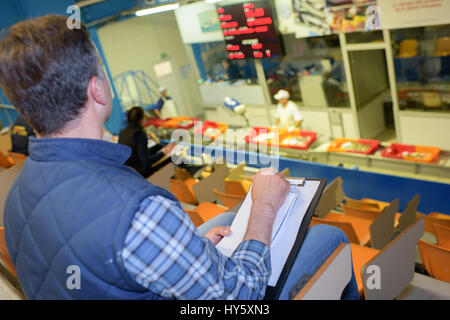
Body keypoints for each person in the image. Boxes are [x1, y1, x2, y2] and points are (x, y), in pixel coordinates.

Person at [0, 15, 358, 300]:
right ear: (97, 89)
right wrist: (264, 208)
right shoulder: (138, 210)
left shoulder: (15, 197)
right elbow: (243, 296)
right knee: (330, 238)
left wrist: (198, 248)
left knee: (230, 218)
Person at [118, 106, 174, 178]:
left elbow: (138, 153)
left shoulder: (123, 132)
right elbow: (147, 162)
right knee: (173, 158)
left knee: (158, 146)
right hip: (141, 173)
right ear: (141, 119)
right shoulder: (139, 134)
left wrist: (159, 147)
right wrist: (165, 152)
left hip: (129, 172)